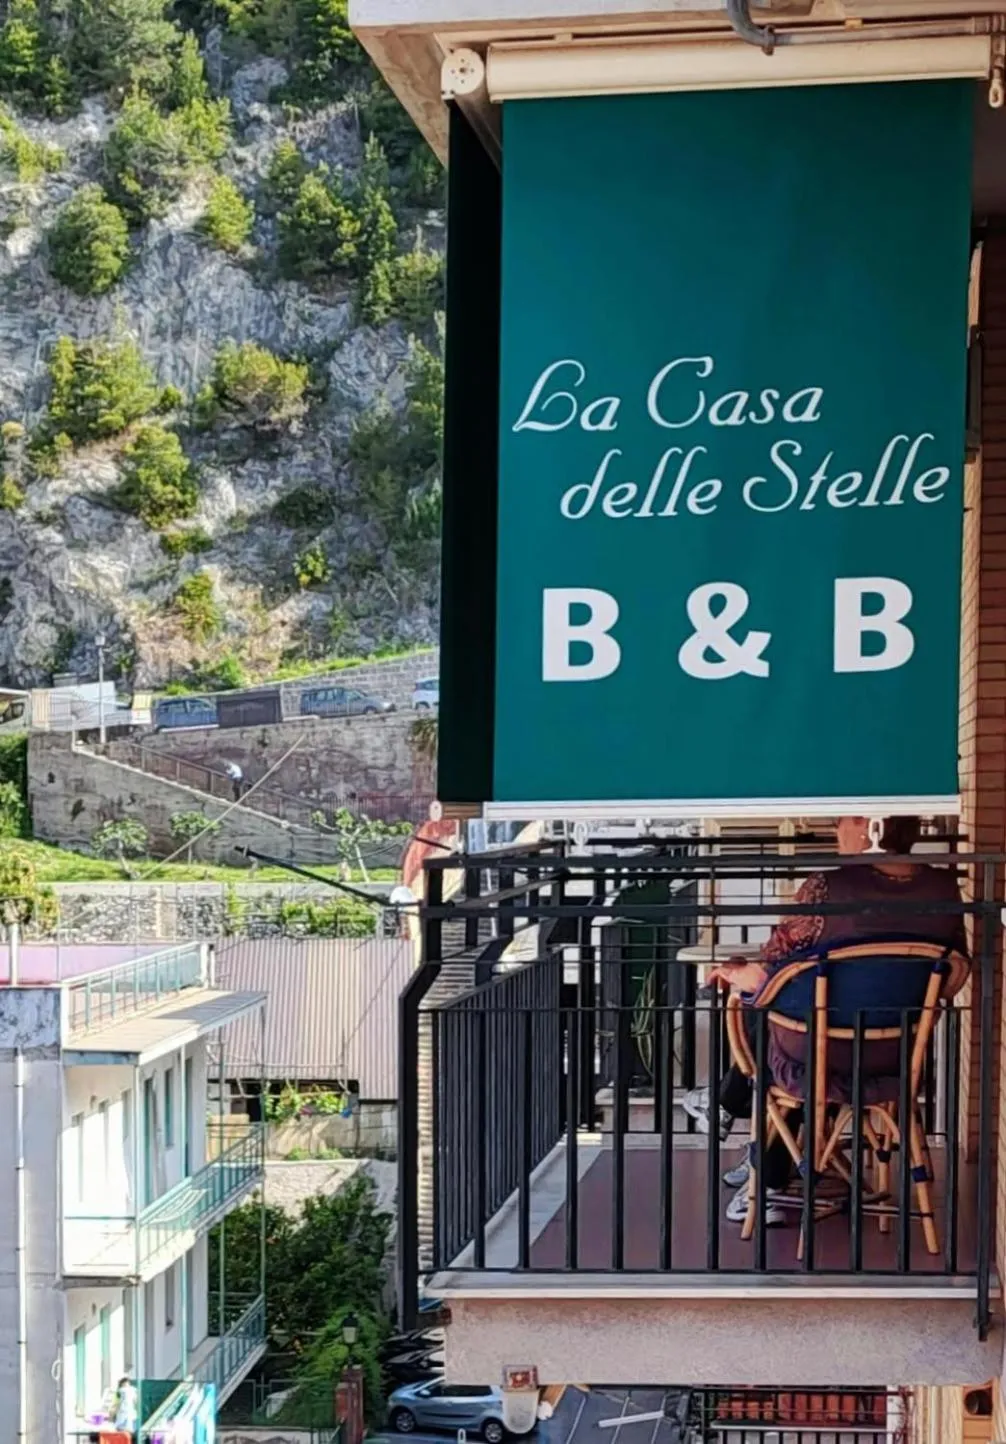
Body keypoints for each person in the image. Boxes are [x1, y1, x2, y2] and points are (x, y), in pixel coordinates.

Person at [682, 815, 967, 1224]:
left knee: (763, 1012)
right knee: (811, 1023)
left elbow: (778, 959)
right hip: (893, 1054)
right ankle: (762, 1162)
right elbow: (953, 973)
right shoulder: (945, 888)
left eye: (844, 820)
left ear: (872, 827)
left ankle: (750, 1141)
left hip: (815, 1051)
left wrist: (740, 975)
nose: (836, 828)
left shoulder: (827, 886)